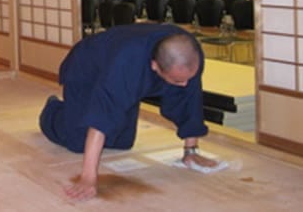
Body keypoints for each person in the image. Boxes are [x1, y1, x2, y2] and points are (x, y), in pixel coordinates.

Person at [39, 23, 218, 201]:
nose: (184, 84)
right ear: (154, 66)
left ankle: (74, 113)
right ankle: (53, 110)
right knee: (78, 142)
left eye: (187, 78)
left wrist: (191, 151)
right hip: (86, 70)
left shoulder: (188, 54)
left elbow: (190, 98)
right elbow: (103, 116)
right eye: (177, 80)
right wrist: (88, 178)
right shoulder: (127, 62)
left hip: (121, 65)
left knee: (121, 141)